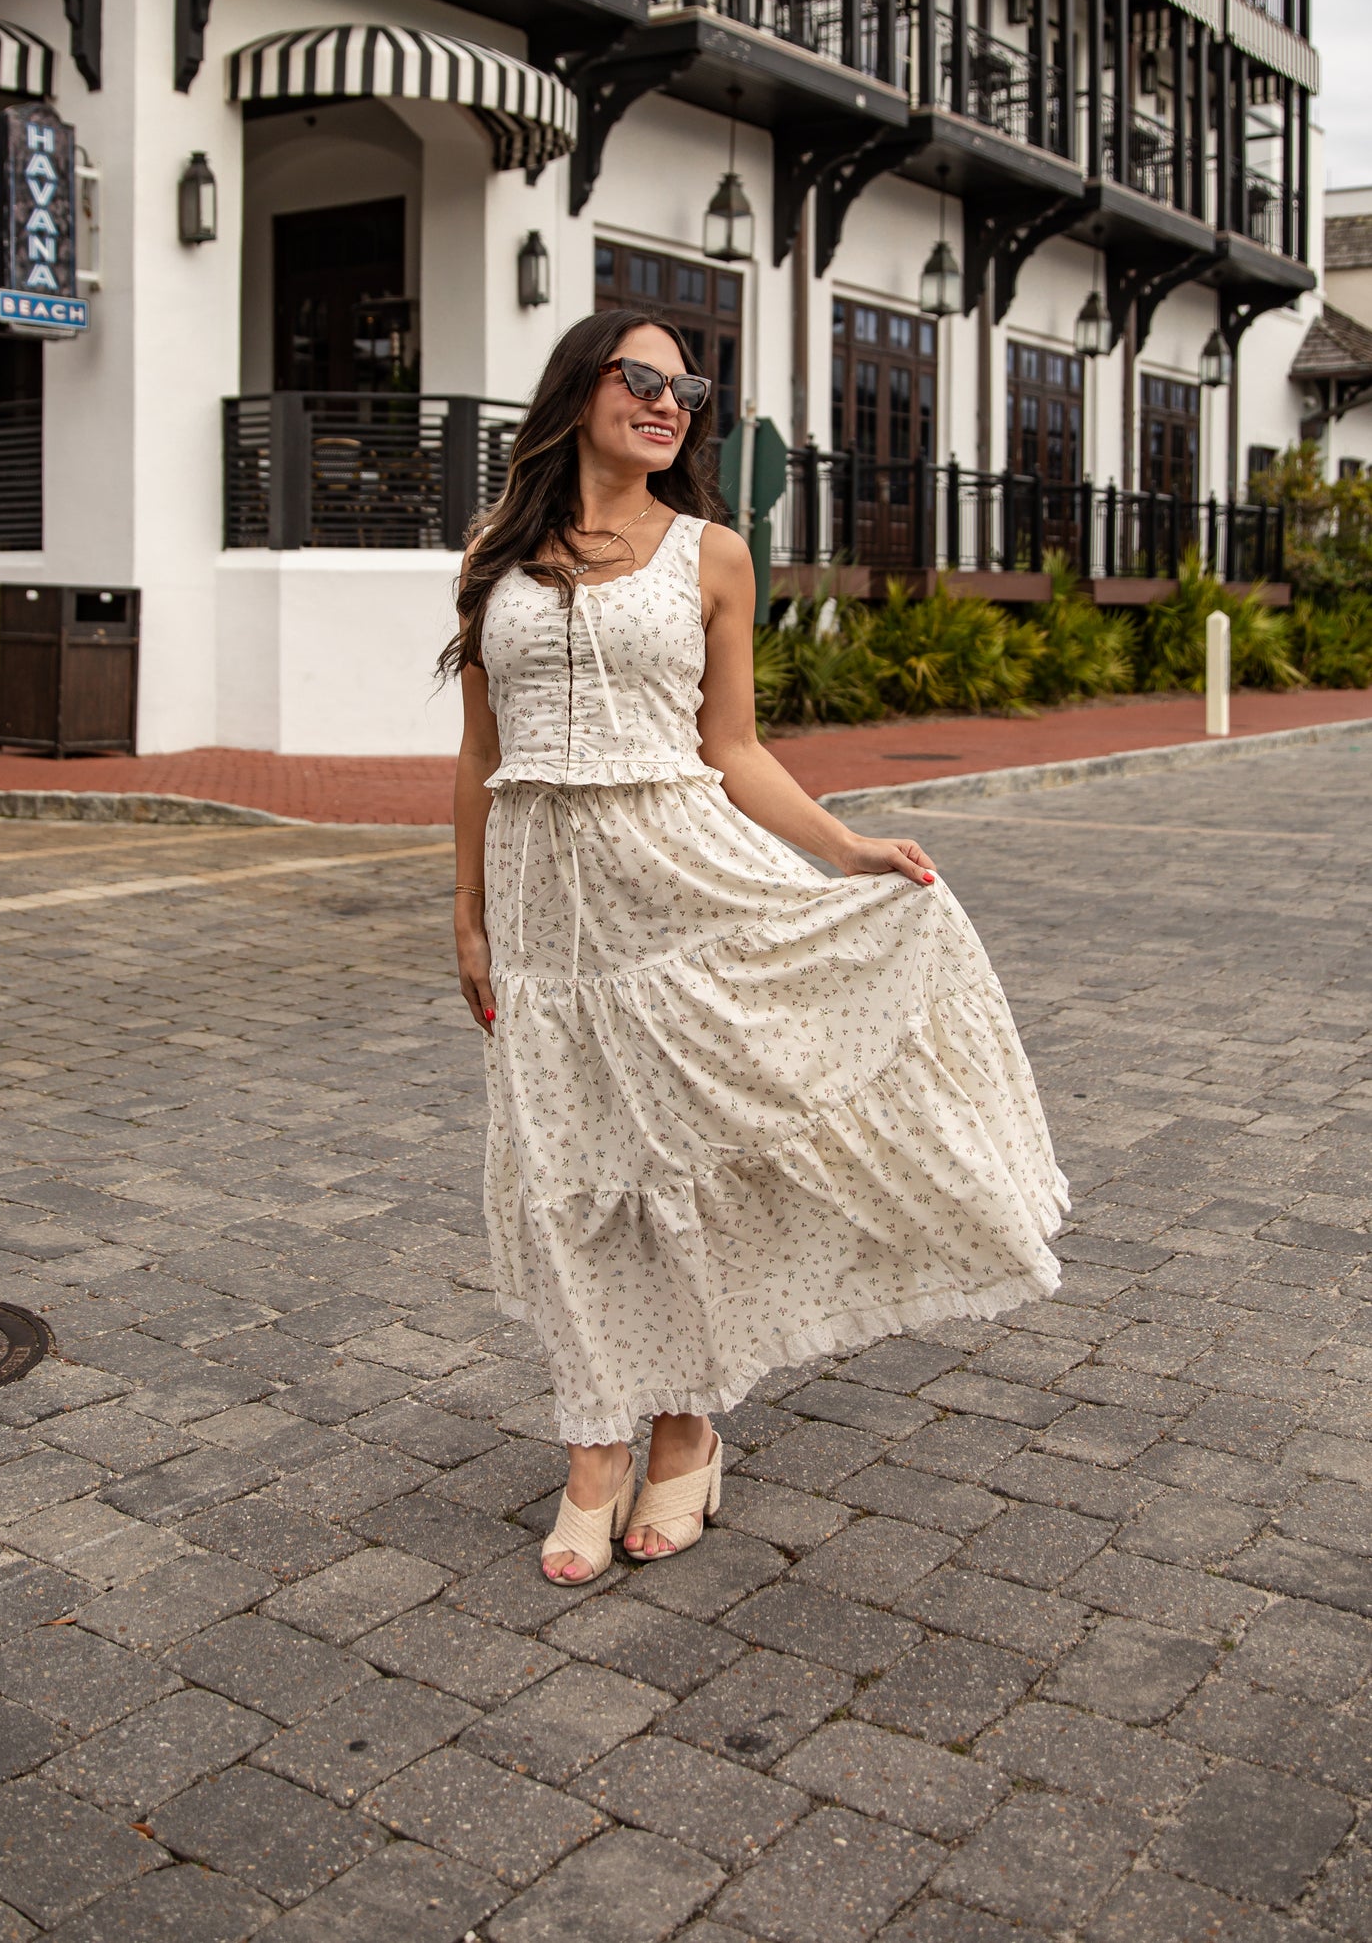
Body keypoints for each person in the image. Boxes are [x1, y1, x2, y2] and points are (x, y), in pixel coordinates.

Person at [445, 310, 1067, 1584]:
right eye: (642, 378)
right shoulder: (492, 554)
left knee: (693, 1158)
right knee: (577, 1172)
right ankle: (593, 1440)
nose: (670, 403)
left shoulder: (712, 555)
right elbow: (480, 752)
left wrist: (846, 855)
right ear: (576, 392)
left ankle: (682, 1427)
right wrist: (465, 913)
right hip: (545, 912)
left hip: (680, 884)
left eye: (689, 389)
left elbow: (731, 748)